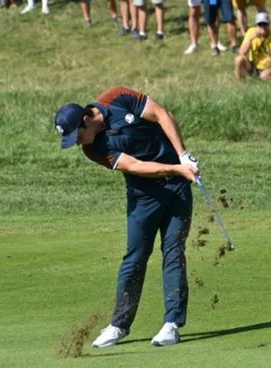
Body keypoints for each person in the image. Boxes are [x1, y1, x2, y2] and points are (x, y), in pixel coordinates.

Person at [53, 87, 201, 349]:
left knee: (173, 251)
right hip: (143, 196)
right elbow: (136, 167)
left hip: (178, 190)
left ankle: (172, 324)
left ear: (86, 120)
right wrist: (178, 168)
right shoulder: (92, 149)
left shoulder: (118, 97)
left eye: (77, 136)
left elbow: (162, 115)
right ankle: (119, 325)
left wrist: (182, 154)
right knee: (135, 257)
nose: (77, 142)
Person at [235, 12, 271, 80]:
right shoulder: (251, 32)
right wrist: (250, 40)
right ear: (256, 26)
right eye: (260, 25)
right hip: (254, 66)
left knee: (263, 76)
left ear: (269, 25)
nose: (263, 27)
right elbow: (241, 52)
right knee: (239, 59)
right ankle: (241, 83)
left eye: (265, 24)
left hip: (269, 68)